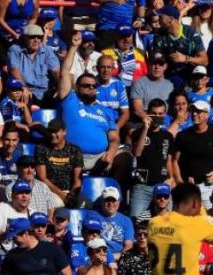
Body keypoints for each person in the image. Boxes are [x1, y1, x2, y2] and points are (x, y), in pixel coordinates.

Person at [59, 32, 120, 174]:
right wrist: (74, 47)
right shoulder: (70, 99)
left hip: (100, 159)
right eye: (86, 86)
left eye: (94, 86)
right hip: (72, 157)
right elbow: (65, 72)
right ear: (77, 88)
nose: (91, 89)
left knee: (126, 158)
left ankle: (112, 193)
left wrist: (110, 154)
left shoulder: (106, 111)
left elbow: (115, 138)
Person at [171, 99, 213, 208]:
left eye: (198, 111)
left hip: (208, 186)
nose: (194, 114)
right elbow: (174, 160)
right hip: (188, 186)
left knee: (209, 220)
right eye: (193, 110)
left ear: (207, 114)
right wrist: (180, 182)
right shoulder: (183, 135)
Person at [128, 98, 174, 219]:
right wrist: (145, 128)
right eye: (154, 113)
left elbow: (169, 161)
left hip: (162, 186)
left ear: (165, 115)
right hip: (142, 186)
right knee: (136, 220)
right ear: (148, 113)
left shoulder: (168, 136)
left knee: (167, 221)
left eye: (160, 114)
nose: (157, 116)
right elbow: (137, 153)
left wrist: (171, 179)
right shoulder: (138, 132)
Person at [150, 5, 208, 88]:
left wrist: (185, 58)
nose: (158, 21)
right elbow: (157, 58)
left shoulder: (191, 32)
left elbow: (205, 61)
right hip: (168, 77)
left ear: (171, 19)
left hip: (190, 76)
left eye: (161, 17)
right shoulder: (159, 36)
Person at [8, 24, 60, 107]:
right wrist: (23, 87)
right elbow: (14, 70)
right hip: (26, 90)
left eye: (39, 37)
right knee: (22, 96)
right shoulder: (15, 49)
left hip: (46, 92)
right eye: (32, 37)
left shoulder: (47, 50)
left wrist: (60, 85)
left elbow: (56, 70)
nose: (36, 40)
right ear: (25, 38)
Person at [35, 117, 83, 207]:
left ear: (64, 132)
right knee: (56, 203)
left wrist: (71, 195)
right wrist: (61, 194)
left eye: (56, 132)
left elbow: (78, 179)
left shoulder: (75, 150)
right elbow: (42, 178)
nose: (53, 135)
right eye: (50, 131)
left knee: (87, 204)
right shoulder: (41, 149)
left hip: (70, 192)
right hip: (50, 191)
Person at [130, 51, 174, 122]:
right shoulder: (139, 83)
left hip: (165, 123)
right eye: (154, 63)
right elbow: (138, 109)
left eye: (160, 64)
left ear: (165, 66)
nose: (157, 67)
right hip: (144, 122)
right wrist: (152, 122)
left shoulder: (170, 85)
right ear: (148, 64)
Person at [93, 186, 134, 258]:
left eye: (113, 200)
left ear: (118, 202)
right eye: (107, 200)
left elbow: (128, 246)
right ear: (102, 202)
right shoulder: (94, 216)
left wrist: (117, 258)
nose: (110, 203)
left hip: (119, 256)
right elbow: (92, 241)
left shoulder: (126, 220)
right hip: (99, 256)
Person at [95, 54, 130, 129]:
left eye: (109, 67)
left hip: (115, 124)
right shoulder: (91, 85)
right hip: (96, 124)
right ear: (97, 68)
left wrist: (115, 128)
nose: (106, 70)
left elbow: (125, 113)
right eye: (103, 67)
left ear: (113, 69)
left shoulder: (119, 85)